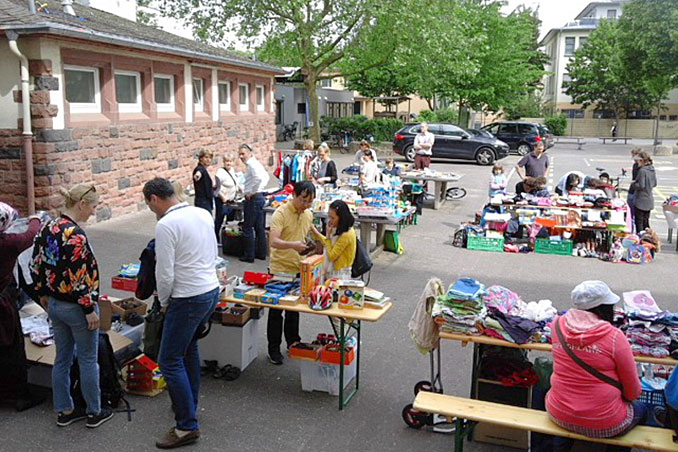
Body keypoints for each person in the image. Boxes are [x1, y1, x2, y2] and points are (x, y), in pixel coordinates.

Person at [143, 177, 220, 449]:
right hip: (210, 290)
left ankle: (186, 425)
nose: (152, 210)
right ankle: (189, 403)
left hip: (187, 296)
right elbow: (212, 251)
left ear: (154, 198)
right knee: (188, 350)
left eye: (150, 205)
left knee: (169, 359)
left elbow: (164, 272)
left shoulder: (165, 225)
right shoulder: (201, 212)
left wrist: (164, 302)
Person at [30, 184, 114, 428]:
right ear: (82, 204)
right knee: (88, 359)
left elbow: (36, 263)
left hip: (54, 303)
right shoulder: (75, 234)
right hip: (77, 307)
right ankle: (94, 411)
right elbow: (79, 276)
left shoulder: (48, 226)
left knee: (62, 358)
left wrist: (41, 292)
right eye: (94, 206)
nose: (94, 212)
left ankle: (64, 410)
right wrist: (88, 308)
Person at [546, 281, 644, 450]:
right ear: (603, 308)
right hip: (605, 422)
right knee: (642, 409)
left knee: (570, 417)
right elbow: (633, 391)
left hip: (557, 411)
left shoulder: (557, 325)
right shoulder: (614, 336)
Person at [0, 203, 45, 411]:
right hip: (3, 304)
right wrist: (35, 218)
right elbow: (30, 235)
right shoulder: (7, 243)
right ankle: (18, 395)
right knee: (11, 347)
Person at [268, 181, 316, 365]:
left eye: (309, 202)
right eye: (303, 200)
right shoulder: (280, 213)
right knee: (276, 311)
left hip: (299, 268)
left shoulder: (308, 214)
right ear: (294, 195)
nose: (306, 205)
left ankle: (293, 342)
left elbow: (311, 234)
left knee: (294, 310)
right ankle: (273, 349)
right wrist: (293, 245)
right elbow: (273, 241)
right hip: (280, 269)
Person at [238, 143, 270, 263]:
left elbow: (259, 178)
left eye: (243, 154)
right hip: (260, 196)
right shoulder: (255, 163)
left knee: (247, 227)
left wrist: (252, 192)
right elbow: (265, 177)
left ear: (249, 153)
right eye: (240, 154)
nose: (241, 156)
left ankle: (249, 255)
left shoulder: (251, 164)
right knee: (259, 227)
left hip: (253, 198)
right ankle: (261, 253)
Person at [312, 200, 357, 280]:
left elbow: (332, 255)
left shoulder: (346, 234)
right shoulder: (339, 228)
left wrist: (328, 237)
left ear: (341, 218)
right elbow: (328, 244)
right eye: (329, 216)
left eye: (333, 218)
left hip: (339, 274)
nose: (330, 220)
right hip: (332, 271)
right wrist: (316, 233)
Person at [215, 153, 243, 232]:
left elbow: (235, 183)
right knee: (219, 220)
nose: (228, 163)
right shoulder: (220, 172)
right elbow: (216, 188)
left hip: (231, 201)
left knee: (230, 221)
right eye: (227, 161)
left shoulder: (232, 170)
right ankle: (216, 236)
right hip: (222, 201)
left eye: (230, 161)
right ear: (223, 162)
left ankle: (228, 237)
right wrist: (223, 197)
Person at [630, 151, 656, 233]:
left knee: (639, 223)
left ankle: (640, 240)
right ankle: (648, 238)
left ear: (642, 161)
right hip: (649, 199)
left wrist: (633, 184)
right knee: (646, 222)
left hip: (641, 200)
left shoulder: (642, 171)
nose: (636, 163)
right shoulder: (652, 169)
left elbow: (641, 185)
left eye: (638, 161)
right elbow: (654, 183)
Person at [192, 150, 217, 215]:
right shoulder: (200, 168)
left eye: (210, 158)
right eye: (206, 157)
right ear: (201, 158)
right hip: (202, 202)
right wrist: (197, 175)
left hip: (206, 200)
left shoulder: (204, 169)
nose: (208, 160)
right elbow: (199, 172)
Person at [627, 148, 642, 229]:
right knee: (630, 213)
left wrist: (634, 183)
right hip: (632, 190)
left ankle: (634, 231)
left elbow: (639, 181)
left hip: (636, 192)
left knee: (636, 216)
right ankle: (631, 230)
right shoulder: (635, 165)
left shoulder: (642, 168)